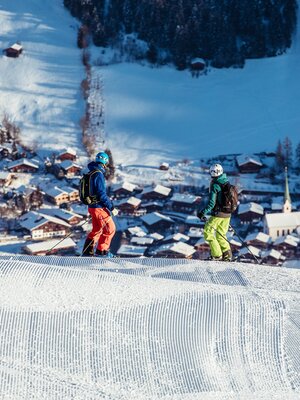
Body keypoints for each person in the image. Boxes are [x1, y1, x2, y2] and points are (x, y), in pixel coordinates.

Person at [82, 151, 118, 257]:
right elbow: (101, 194)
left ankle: (87, 252)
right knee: (110, 229)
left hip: (92, 207)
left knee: (97, 230)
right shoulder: (98, 174)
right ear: (105, 162)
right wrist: (111, 207)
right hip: (98, 207)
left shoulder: (91, 172)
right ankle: (102, 251)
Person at [197, 163, 232, 261]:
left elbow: (212, 203)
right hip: (228, 213)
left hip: (218, 214)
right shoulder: (226, 181)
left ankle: (217, 255)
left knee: (208, 232)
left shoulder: (215, 184)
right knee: (221, 234)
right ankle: (227, 254)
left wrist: (202, 213)